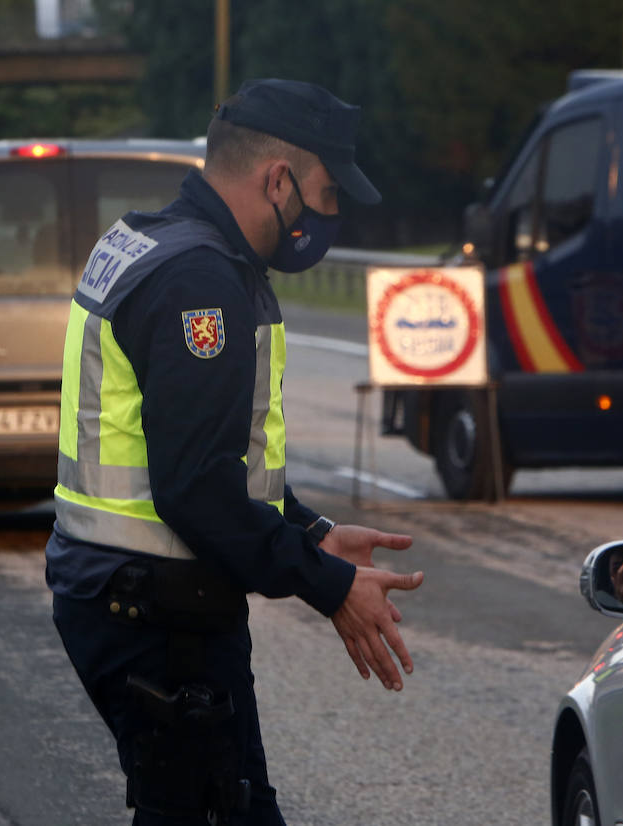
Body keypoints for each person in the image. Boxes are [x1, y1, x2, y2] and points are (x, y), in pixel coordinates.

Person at [46, 78, 425, 825]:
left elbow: (215, 457)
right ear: (277, 179)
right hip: (155, 617)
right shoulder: (201, 280)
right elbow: (193, 488)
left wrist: (308, 531)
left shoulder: (155, 240)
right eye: (326, 192)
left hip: (130, 599)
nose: (331, 214)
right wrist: (328, 583)